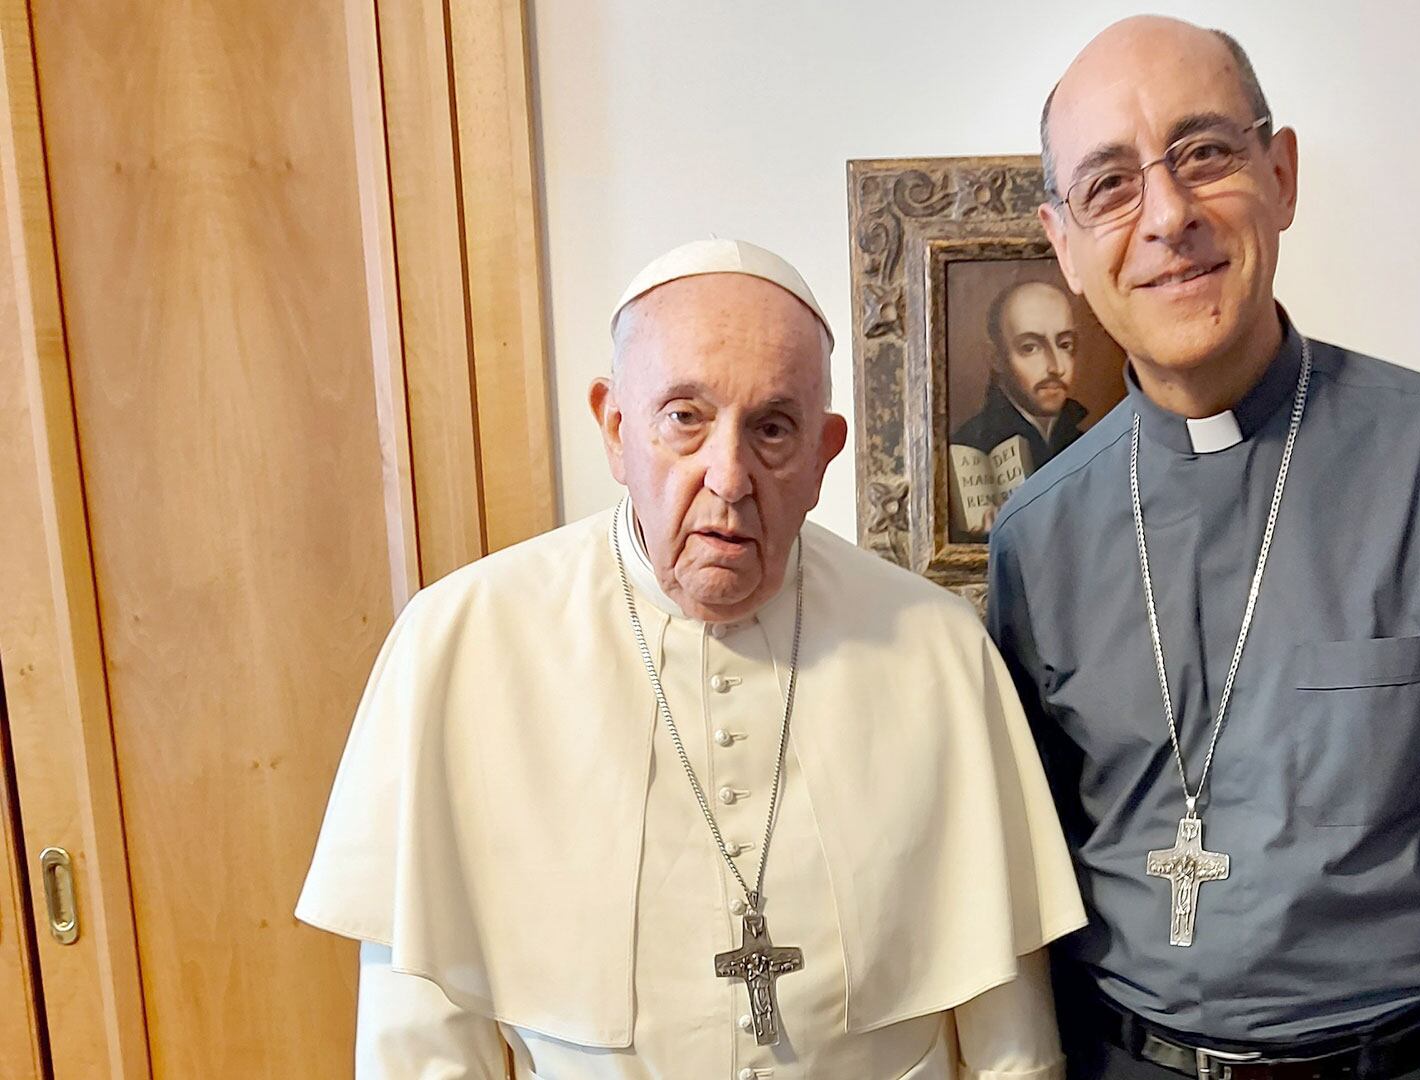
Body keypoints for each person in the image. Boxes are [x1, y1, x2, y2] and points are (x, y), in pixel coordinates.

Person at [300, 238, 1087, 1078]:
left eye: (773, 428)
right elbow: (419, 1044)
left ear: (824, 453)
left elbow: (1011, 1035)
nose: (729, 475)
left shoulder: (936, 648)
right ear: (614, 427)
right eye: (685, 416)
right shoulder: (458, 644)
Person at [986, 17, 1420, 1080]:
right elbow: (1022, 883)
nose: (1168, 215)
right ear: (1066, 246)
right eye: (1112, 186)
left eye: (1205, 155)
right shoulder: (1038, 535)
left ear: (1282, 174)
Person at [953, 278, 1091, 470]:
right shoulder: (970, 449)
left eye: (1065, 345)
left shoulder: (1087, 445)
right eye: (1030, 348)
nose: (1056, 367)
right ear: (996, 358)